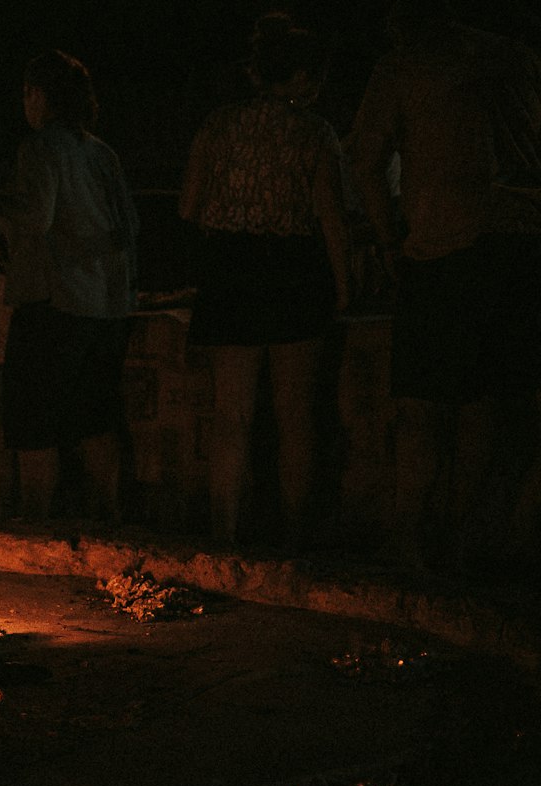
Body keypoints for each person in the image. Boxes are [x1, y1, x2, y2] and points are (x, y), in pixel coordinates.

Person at [349, 0, 541, 570]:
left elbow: (363, 159)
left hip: (444, 245)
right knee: (484, 399)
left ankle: (410, 536)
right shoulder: (516, 58)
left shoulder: (405, 65)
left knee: (422, 401)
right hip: (522, 242)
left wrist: (387, 238)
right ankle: (466, 535)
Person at [0, 51, 139, 523]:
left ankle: (35, 527)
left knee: (33, 423)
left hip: (52, 302)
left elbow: (34, 216)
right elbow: (128, 225)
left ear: (40, 95)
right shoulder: (100, 152)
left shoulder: (41, 148)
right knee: (96, 418)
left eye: (27, 93)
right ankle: (106, 523)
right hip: (104, 306)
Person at [179, 13, 350, 547]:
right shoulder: (315, 132)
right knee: (296, 417)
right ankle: (296, 537)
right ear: (297, 76)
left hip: (230, 271)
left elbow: (188, 205)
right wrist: (343, 287)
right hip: (294, 271)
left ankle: (223, 534)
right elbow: (330, 217)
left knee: (232, 417)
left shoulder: (218, 125)